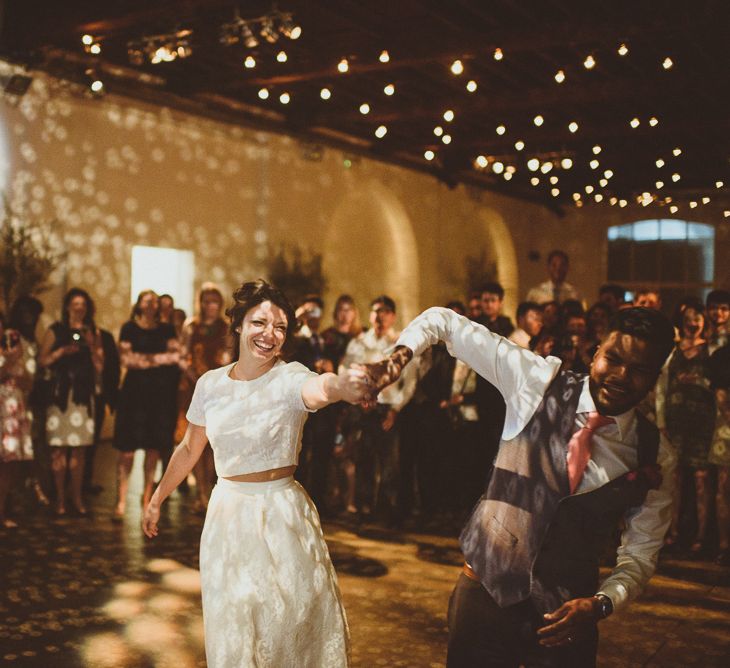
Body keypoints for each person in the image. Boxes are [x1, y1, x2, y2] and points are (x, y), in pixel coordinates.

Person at [363, 305, 675, 667]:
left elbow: (640, 554)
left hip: (566, 619)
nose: (621, 376)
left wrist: (602, 603)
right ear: (596, 352)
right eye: (614, 358)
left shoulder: (655, 454)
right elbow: (443, 322)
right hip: (484, 599)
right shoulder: (536, 380)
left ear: (656, 376)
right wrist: (396, 360)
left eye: (639, 370)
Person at [142, 279, 366, 668]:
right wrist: (157, 498)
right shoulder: (210, 384)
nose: (269, 335)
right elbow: (190, 448)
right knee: (235, 624)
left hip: (282, 515)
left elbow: (320, 389)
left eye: (280, 327)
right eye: (260, 323)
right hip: (228, 515)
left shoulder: (289, 376)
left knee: (286, 622)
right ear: (239, 325)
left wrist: (343, 385)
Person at [112, 290, 180, 520]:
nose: (151, 304)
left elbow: (176, 356)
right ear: (139, 304)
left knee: (153, 448)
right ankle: (120, 500)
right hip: (133, 394)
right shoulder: (129, 328)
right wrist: (157, 359)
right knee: (127, 451)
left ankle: (146, 499)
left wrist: (144, 360)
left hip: (158, 395)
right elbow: (126, 360)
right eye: (147, 300)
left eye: (154, 301)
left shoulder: (167, 329)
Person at [38, 288, 104, 517]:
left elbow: (100, 366)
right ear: (67, 307)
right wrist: (61, 352)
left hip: (83, 398)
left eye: (83, 304)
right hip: (60, 397)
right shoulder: (55, 330)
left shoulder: (92, 331)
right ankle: (60, 499)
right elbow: (43, 361)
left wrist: (92, 344)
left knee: (79, 451)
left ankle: (77, 498)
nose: (79, 308)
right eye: (75, 304)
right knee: (58, 449)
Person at [656, 303, 714, 552]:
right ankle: (674, 532)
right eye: (689, 318)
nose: (693, 321)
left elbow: (720, 382)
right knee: (675, 478)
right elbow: (661, 387)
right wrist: (661, 422)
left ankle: (702, 536)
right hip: (676, 423)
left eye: (697, 317)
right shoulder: (673, 351)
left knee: (702, 479)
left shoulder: (711, 350)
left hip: (703, 424)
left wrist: (699, 381)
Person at [178, 284, 232, 511]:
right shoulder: (191, 325)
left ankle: (209, 490)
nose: (211, 306)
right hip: (194, 387)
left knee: (213, 444)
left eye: (215, 301)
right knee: (195, 442)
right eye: (207, 301)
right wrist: (194, 376)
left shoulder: (226, 327)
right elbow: (182, 356)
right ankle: (200, 493)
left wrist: (218, 381)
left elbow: (229, 356)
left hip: (218, 390)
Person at [0, 313, 35, 527]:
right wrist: (7, 363)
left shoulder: (14, 345)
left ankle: (3, 508)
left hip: (12, 410)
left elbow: (28, 383)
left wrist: (17, 363)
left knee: (10, 463)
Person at [708, 344, 730, 565]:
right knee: (724, 489)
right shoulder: (723, 356)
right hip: (726, 432)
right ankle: (724, 545)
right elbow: (722, 400)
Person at [706, 289, 729, 353]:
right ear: (707, 310)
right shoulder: (700, 335)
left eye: (724, 308)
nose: (718, 312)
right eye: (714, 307)